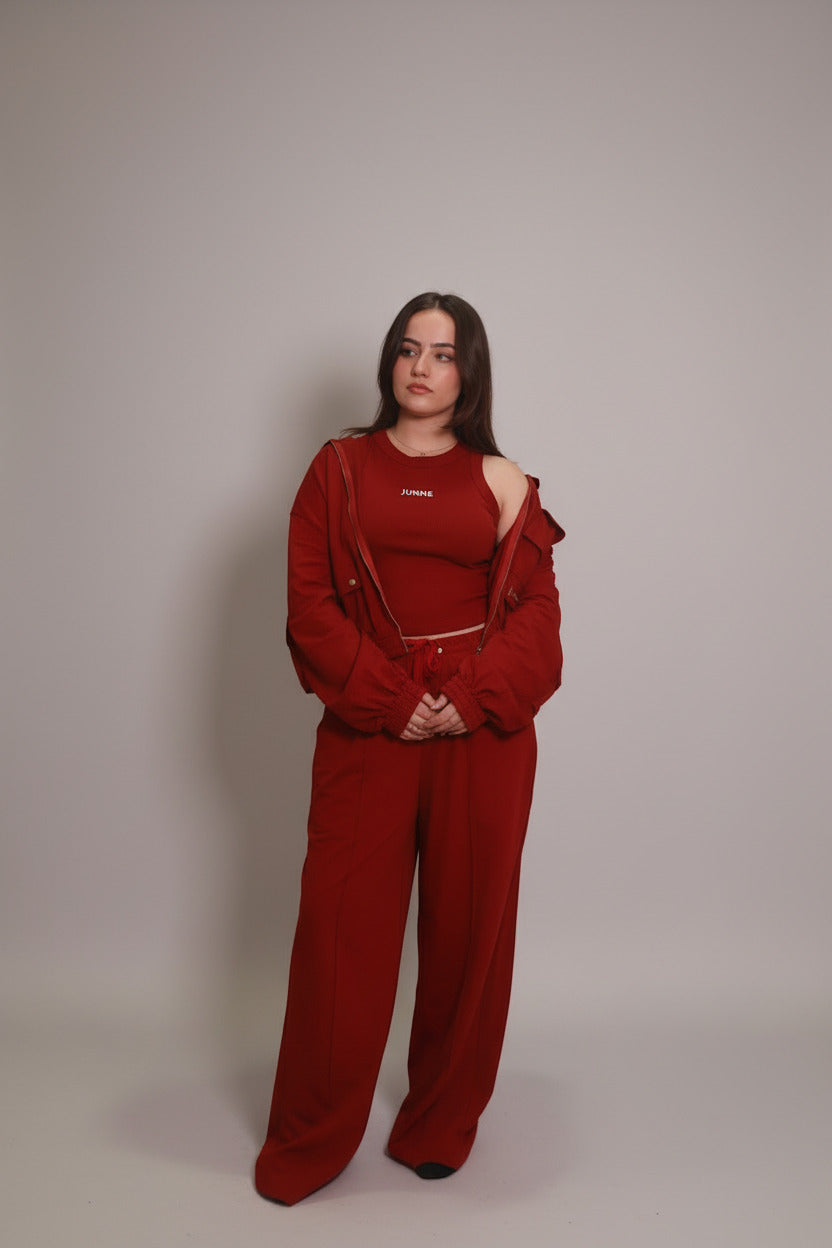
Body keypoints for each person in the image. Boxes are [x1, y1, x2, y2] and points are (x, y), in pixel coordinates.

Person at [255, 292, 564, 1205]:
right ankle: (312, 1138)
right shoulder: (338, 468)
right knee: (341, 934)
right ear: (390, 361)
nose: (422, 367)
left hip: (482, 732)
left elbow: (539, 620)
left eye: (444, 353)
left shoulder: (503, 480)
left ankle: (439, 1123)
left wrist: (468, 700)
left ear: (470, 372)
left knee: (470, 935)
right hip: (370, 722)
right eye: (408, 348)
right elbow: (309, 606)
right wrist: (393, 700)